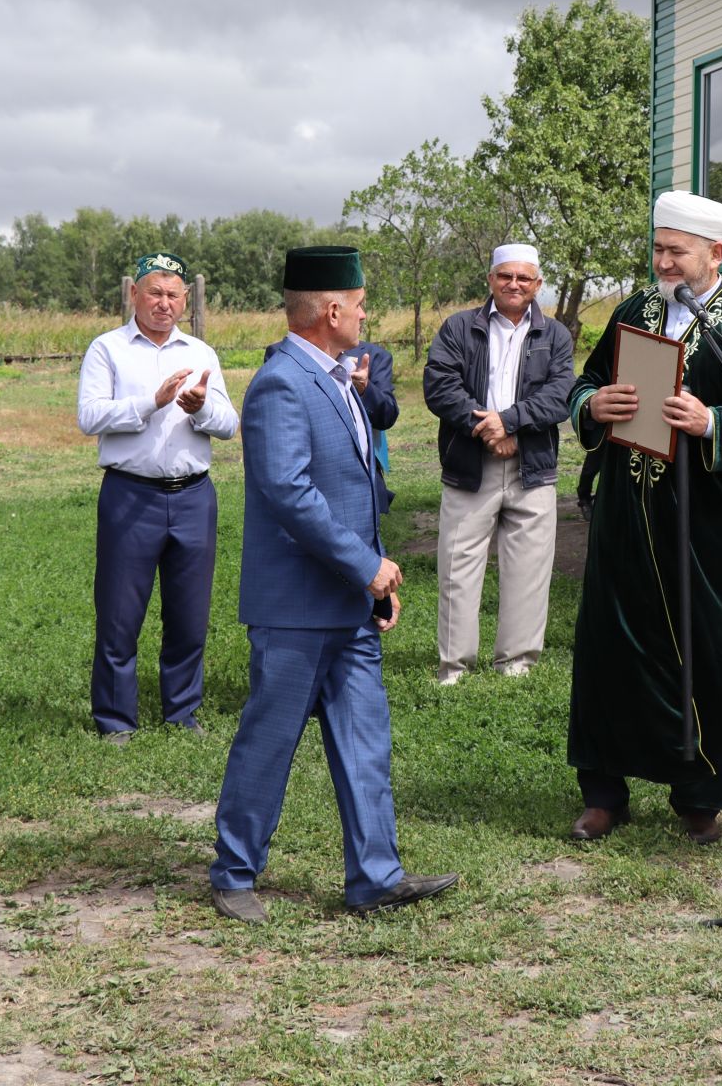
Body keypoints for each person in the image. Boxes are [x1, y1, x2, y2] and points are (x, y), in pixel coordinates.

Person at [209, 245, 458, 921]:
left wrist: (373, 584)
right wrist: (366, 564)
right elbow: (289, 493)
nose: (368, 312)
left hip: (348, 602)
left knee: (365, 739)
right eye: (362, 302)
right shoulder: (281, 383)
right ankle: (234, 873)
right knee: (270, 736)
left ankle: (375, 875)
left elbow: (354, 488)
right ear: (331, 309)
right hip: (294, 606)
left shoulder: (340, 374)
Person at [566, 192, 722, 844]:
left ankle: (700, 795)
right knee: (612, 650)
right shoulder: (633, 311)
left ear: (715, 253)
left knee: (708, 652)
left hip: (710, 533)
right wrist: (596, 405)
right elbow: (584, 384)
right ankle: (604, 792)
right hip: (626, 518)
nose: (663, 261)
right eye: (658, 247)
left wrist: (712, 423)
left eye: (677, 251)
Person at [77, 252, 238, 742]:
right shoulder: (107, 349)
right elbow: (90, 416)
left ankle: (182, 714)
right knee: (120, 614)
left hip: (193, 497)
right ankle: (115, 720)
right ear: (134, 295)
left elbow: (230, 425)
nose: (163, 303)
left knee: (190, 615)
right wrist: (154, 402)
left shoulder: (201, 353)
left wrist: (201, 406)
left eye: (173, 295)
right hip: (131, 495)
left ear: (185, 300)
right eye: (154, 293)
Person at [421, 243, 575, 684]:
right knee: (458, 566)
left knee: (529, 568)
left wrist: (509, 423)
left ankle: (518, 664)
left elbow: (559, 393)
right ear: (490, 279)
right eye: (505, 276)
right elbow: (440, 386)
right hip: (471, 465)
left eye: (524, 278)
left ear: (538, 285)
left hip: (533, 465)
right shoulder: (458, 327)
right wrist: (487, 430)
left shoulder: (556, 335)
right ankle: (454, 667)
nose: (514, 284)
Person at [342, 337, 398, 514]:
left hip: (362, 483)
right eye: (357, 307)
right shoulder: (281, 353)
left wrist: (365, 389)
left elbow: (387, 416)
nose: (362, 316)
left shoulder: (375, 356)